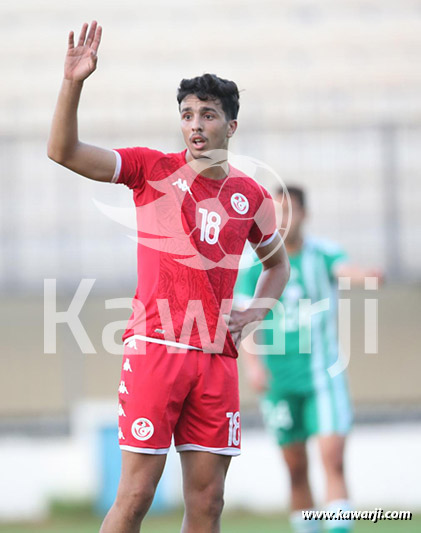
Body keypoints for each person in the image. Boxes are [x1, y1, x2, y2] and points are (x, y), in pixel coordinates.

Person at [47, 21, 290, 533]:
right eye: (186, 115)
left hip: (216, 359)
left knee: (208, 503)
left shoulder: (252, 198)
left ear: (231, 125)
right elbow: (63, 152)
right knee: (135, 496)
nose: (195, 124)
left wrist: (253, 312)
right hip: (156, 348)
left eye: (208, 114)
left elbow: (277, 265)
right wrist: (74, 83)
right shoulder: (151, 169)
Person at [235, 186, 381, 533]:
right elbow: (245, 320)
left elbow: (346, 270)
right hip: (279, 380)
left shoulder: (323, 254)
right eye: (277, 214)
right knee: (295, 467)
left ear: (304, 215)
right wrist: (254, 366)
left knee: (333, 459)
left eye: (289, 212)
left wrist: (367, 276)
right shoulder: (254, 265)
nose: (283, 221)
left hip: (322, 376)